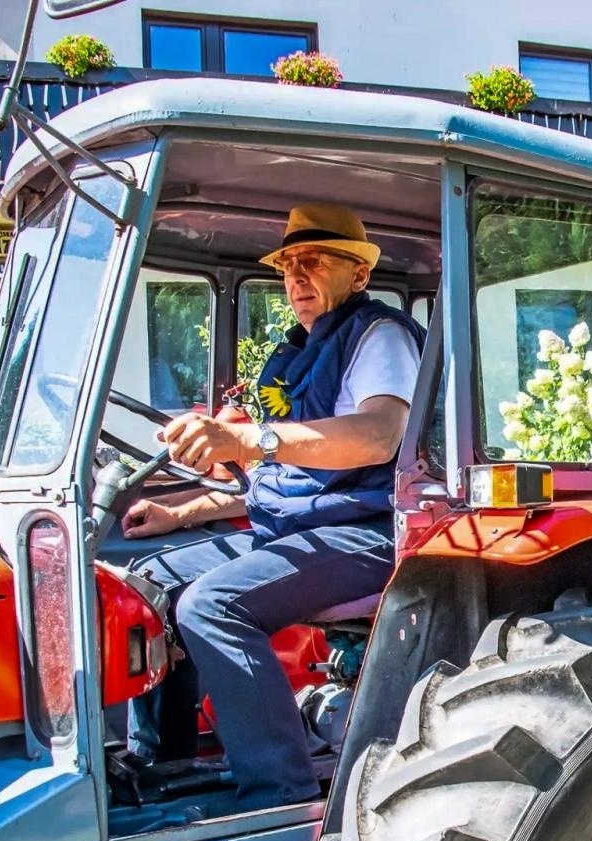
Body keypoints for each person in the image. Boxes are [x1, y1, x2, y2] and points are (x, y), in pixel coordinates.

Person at [119, 203, 425, 810]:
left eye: (313, 262)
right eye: (288, 265)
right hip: (305, 527)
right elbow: (278, 475)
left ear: (358, 276)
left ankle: (279, 797)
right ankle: (162, 765)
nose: (296, 277)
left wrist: (248, 438)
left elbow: (378, 435)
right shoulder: (300, 353)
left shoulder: (378, 336)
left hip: (364, 531)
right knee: (148, 582)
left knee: (213, 605)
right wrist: (180, 514)